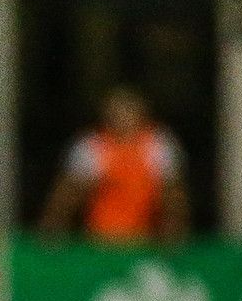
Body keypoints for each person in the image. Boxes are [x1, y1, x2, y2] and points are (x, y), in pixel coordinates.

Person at [39, 86, 188, 242]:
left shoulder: (158, 145)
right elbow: (66, 195)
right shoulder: (91, 146)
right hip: (99, 240)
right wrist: (53, 230)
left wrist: (174, 231)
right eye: (117, 112)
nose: (123, 117)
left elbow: (173, 194)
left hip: (145, 241)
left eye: (129, 111)